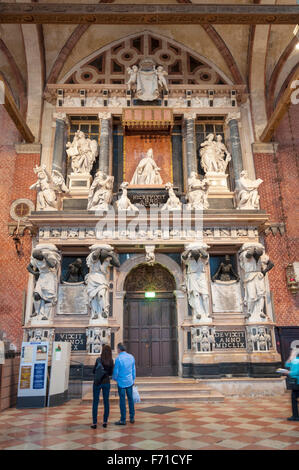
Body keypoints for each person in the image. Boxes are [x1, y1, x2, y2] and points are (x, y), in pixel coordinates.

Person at [91, 344, 114, 429]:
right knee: (106, 402)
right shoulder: (111, 361)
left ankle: (94, 423)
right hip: (106, 382)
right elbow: (111, 373)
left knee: (95, 402)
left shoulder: (98, 359)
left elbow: (93, 371)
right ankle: (105, 422)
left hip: (97, 382)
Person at [112, 343, 136, 425]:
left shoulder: (118, 359)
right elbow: (133, 370)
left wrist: (115, 378)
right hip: (129, 381)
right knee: (130, 399)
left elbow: (116, 371)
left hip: (121, 382)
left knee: (122, 400)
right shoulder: (131, 357)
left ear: (119, 349)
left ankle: (123, 419)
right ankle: (132, 417)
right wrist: (133, 379)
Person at [285, 348, 299, 421]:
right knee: (294, 399)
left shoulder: (297, 361)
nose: (291, 353)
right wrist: (290, 358)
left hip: (297, 382)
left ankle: (296, 416)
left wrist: (289, 373)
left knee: (294, 400)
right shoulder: (294, 360)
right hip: (295, 383)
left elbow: (296, 372)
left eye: (292, 352)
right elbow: (287, 364)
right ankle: (295, 415)